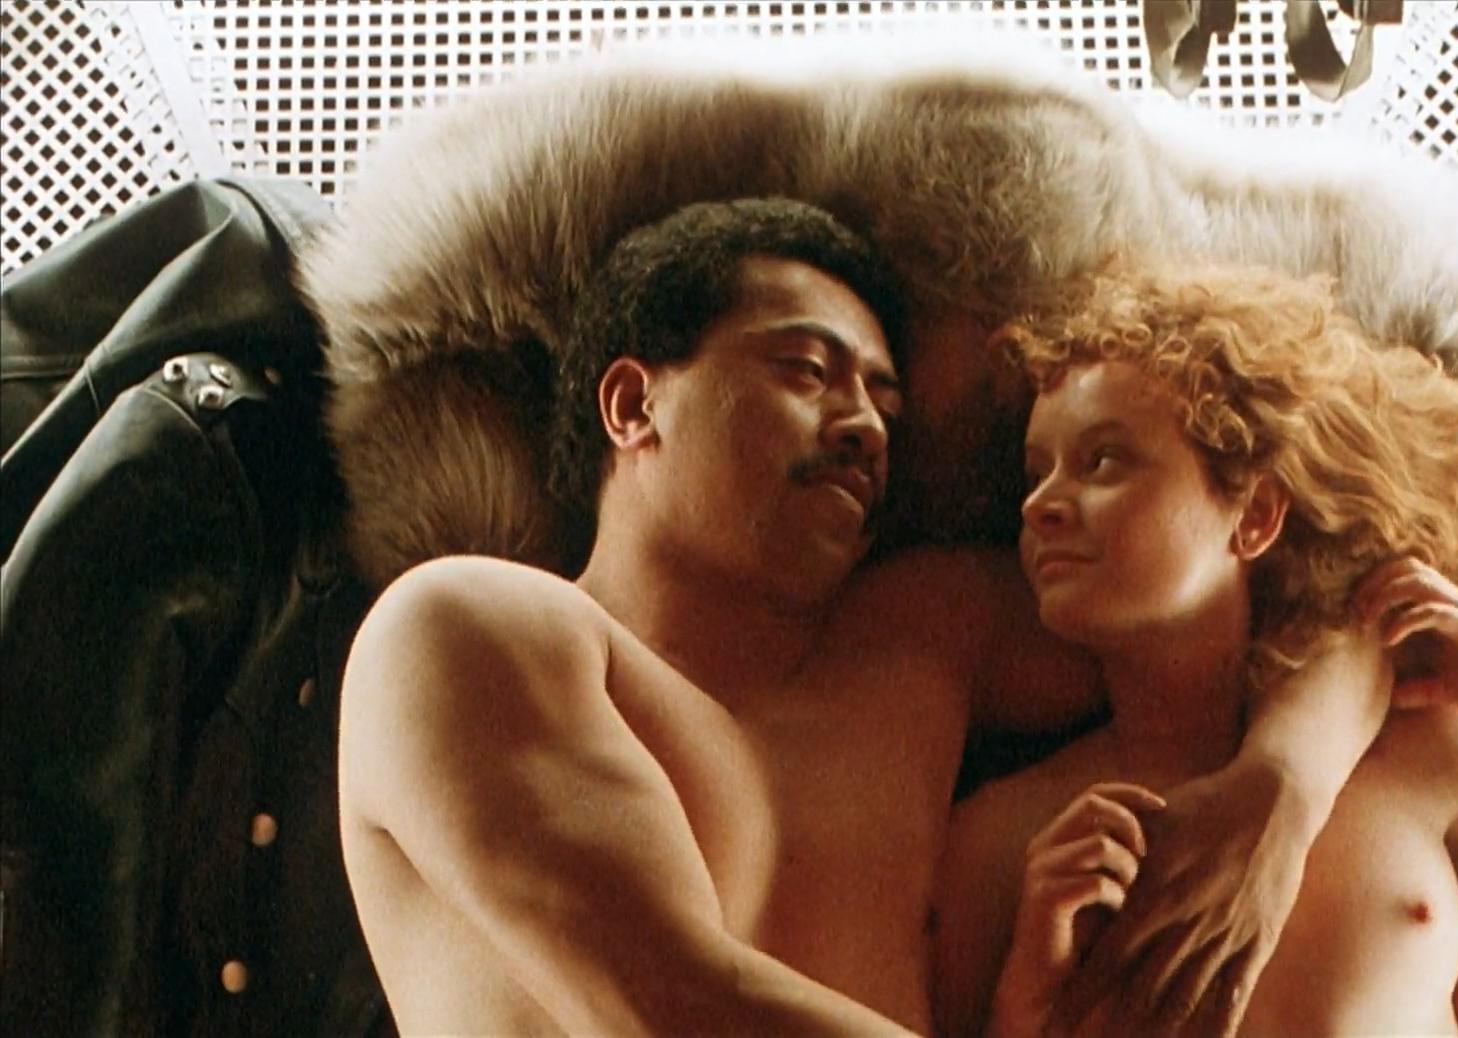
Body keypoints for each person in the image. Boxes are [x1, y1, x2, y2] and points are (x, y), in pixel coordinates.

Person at [336, 200, 1378, 1034]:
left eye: (885, 403)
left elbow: (1329, 596)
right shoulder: (466, 625)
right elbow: (679, 1008)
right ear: (633, 404)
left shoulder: (925, 638)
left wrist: (1279, 791)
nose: (865, 428)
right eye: (807, 370)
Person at [932, 266, 1458, 1036]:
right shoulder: (1007, 845)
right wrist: (1021, 1014)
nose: (1043, 504)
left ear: (1255, 516)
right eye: (1036, 473)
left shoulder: (1421, 760)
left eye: (1103, 461)